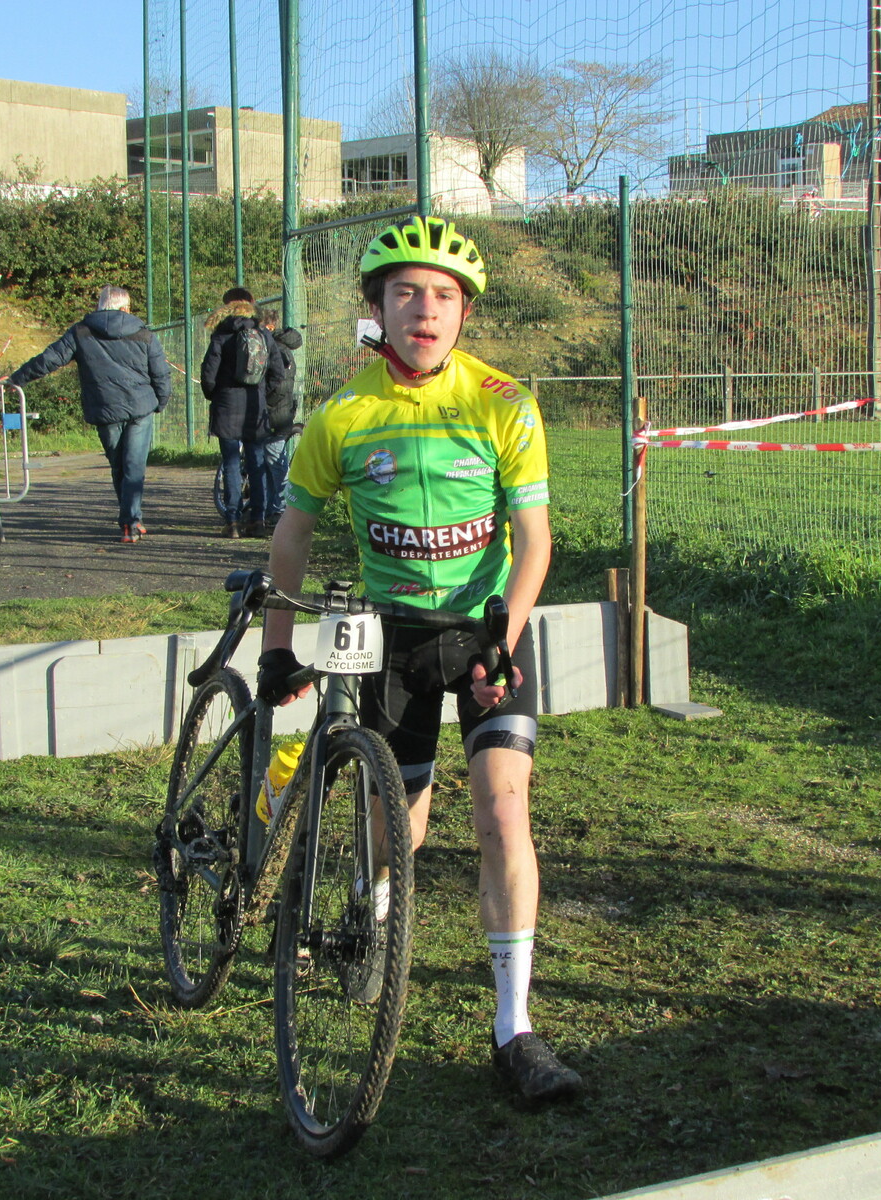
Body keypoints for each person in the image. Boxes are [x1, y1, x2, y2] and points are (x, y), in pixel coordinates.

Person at [255, 215, 581, 1104]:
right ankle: (375, 918)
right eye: (405, 293)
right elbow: (292, 535)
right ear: (378, 307)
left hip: (487, 631)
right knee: (398, 823)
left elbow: (534, 540)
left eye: (443, 295)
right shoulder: (345, 413)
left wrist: (504, 639)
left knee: (503, 813)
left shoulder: (504, 402)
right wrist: (277, 651)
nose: (424, 310)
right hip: (391, 639)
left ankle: (514, 1028)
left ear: (465, 312)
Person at [6, 285, 170, 543]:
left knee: (118, 465)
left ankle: (129, 521)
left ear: (100, 305)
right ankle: (131, 521)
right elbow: (160, 373)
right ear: (125, 307)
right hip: (140, 407)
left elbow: (50, 359)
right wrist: (160, 401)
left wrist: (17, 378)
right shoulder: (144, 333)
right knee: (134, 466)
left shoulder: (80, 332)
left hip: (105, 407)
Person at [200, 286, 281, 538]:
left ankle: (233, 521)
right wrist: (262, 393)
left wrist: (216, 394)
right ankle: (258, 520)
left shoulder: (221, 334)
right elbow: (277, 372)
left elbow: (208, 374)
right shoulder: (262, 333)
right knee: (257, 463)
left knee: (231, 463)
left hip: (227, 405)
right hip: (255, 406)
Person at [258, 308, 303, 528]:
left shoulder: (276, 349)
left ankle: (282, 508)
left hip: (274, 414)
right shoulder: (279, 347)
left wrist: (264, 403)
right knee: (271, 461)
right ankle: (273, 507)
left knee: (275, 462)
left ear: (268, 326)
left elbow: (280, 384)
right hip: (280, 412)